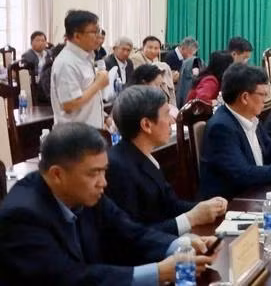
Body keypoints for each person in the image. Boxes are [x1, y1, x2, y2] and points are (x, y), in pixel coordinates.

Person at [0, 122, 217, 285]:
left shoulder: (86, 192)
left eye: (104, 171)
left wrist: (180, 246)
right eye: (94, 173)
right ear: (57, 174)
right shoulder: (22, 216)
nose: (103, 182)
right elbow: (69, 278)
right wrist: (160, 272)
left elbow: (132, 233)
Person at [105, 86, 227, 236]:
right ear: (146, 125)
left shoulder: (144, 155)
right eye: (166, 114)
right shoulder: (118, 168)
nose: (171, 121)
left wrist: (206, 207)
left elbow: (170, 205)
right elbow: (133, 235)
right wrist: (190, 218)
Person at [199, 64, 271, 199]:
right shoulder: (221, 128)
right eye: (263, 95)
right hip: (233, 203)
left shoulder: (251, 118)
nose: (266, 100)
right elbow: (244, 174)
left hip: (256, 192)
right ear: (245, 98)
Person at [51, 10, 108, 129]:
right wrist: (98, 84)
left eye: (98, 30)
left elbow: (88, 97)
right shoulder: (66, 62)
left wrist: (105, 118)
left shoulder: (85, 57)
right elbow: (70, 104)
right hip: (74, 137)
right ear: (77, 36)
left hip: (89, 132)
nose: (99, 36)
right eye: (94, 32)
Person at [130, 36, 177, 106]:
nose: (153, 51)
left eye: (156, 48)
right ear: (143, 47)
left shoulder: (155, 58)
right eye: (150, 47)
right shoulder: (136, 58)